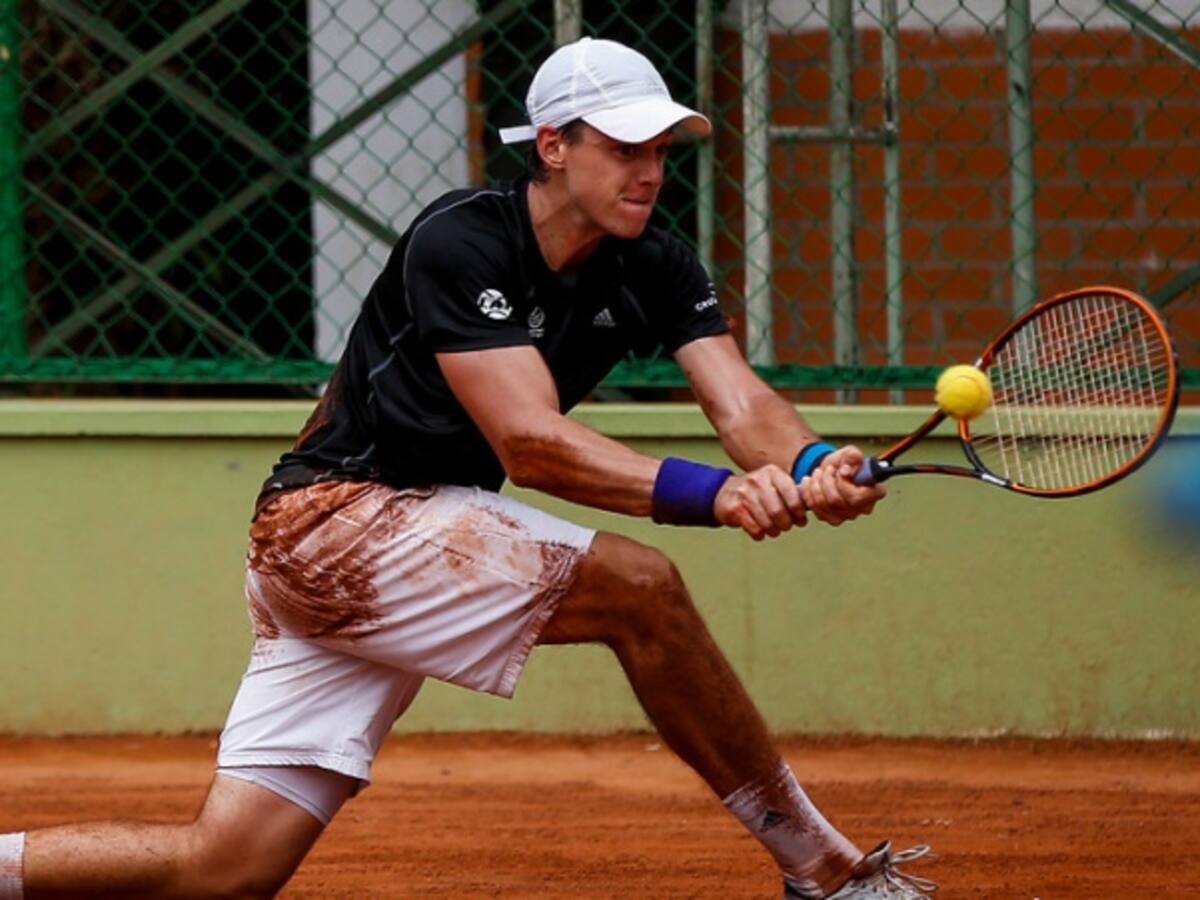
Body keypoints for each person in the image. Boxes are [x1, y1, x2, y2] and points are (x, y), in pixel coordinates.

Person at [0, 37, 935, 900]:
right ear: (555, 147)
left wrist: (814, 459)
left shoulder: (652, 260)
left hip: (396, 540)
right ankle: (828, 871)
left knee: (224, 868)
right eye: (624, 147)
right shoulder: (463, 240)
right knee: (643, 590)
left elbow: (740, 404)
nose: (650, 171)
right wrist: (719, 495)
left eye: (661, 151)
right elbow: (528, 444)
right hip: (332, 521)